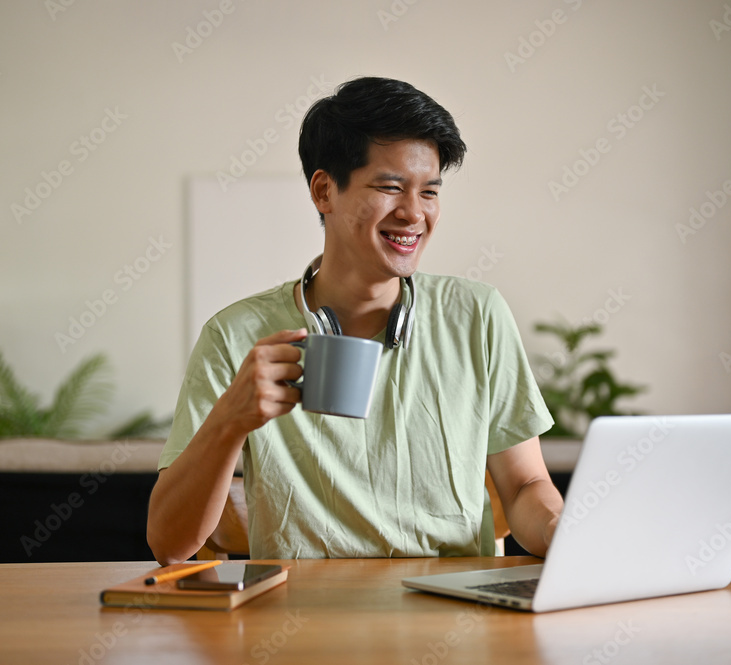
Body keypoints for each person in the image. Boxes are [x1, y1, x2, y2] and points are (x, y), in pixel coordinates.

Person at [147, 76, 563, 563]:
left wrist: (561, 532)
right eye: (390, 188)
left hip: (452, 618)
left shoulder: (477, 314)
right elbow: (170, 545)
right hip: (300, 626)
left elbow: (525, 485)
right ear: (324, 191)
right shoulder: (235, 336)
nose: (414, 213)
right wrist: (230, 421)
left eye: (429, 192)